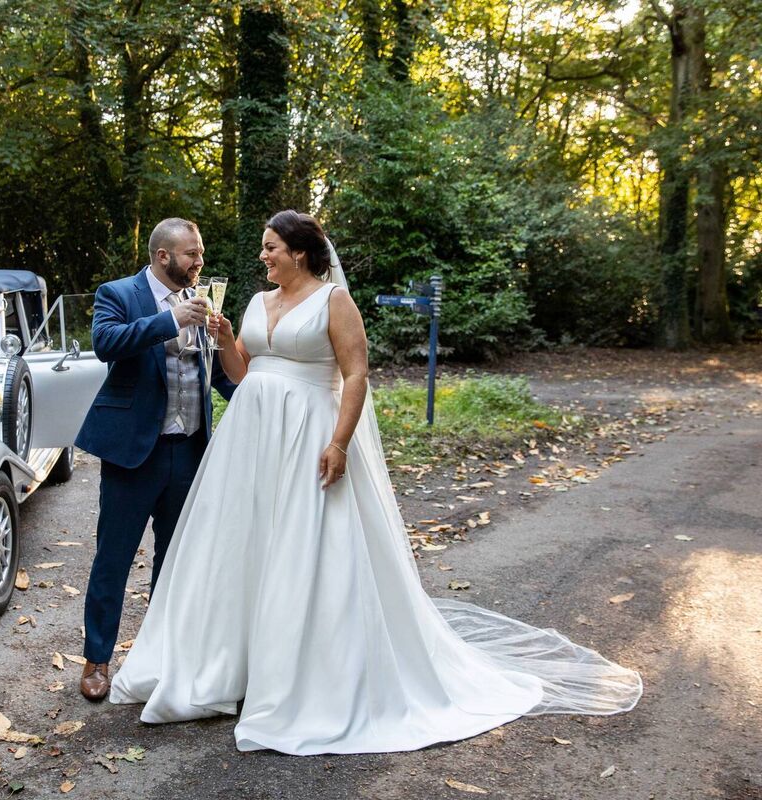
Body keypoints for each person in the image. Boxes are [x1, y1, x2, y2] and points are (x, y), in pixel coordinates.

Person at [109, 210, 642, 754]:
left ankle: (301, 674)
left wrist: (339, 443)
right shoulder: (253, 302)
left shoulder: (333, 301)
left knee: (305, 549)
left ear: (299, 251)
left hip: (309, 433)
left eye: (271, 248)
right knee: (242, 548)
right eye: (264, 248)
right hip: (251, 437)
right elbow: (244, 373)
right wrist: (225, 337)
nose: (263, 256)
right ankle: (229, 667)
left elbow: (356, 374)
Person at [75, 217, 237, 702]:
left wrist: (259, 393)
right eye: (192, 254)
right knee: (114, 559)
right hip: (132, 452)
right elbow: (106, 343)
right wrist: (171, 320)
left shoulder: (205, 301)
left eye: (201, 253)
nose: (200, 262)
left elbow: (217, 376)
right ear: (163, 256)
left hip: (189, 449)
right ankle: (97, 659)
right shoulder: (118, 294)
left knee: (175, 561)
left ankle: (159, 656)